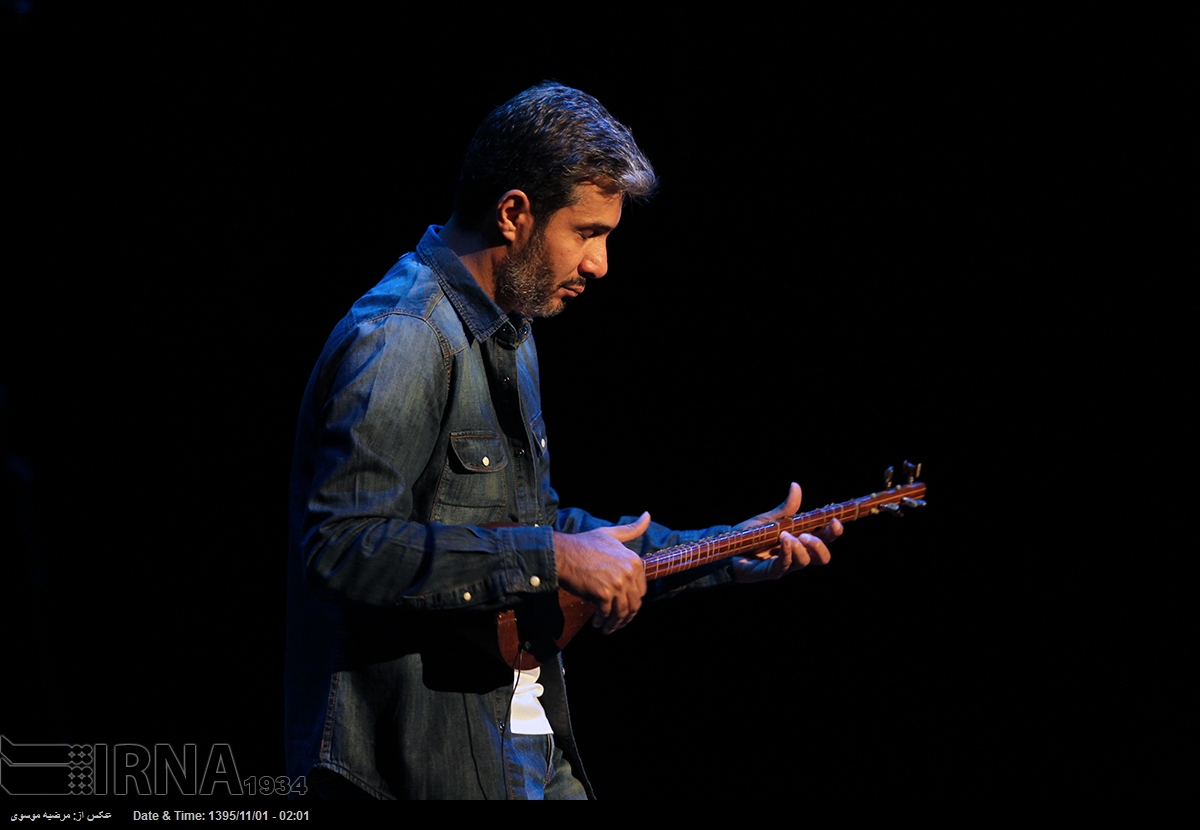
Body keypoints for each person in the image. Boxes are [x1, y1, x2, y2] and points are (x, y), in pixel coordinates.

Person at [285, 82, 840, 800]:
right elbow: (339, 548)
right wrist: (551, 555)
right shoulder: (402, 336)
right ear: (514, 213)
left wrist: (728, 549)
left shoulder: (512, 331)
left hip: (520, 744)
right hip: (413, 769)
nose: (600, 264)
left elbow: (531, 532)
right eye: (587, 233)